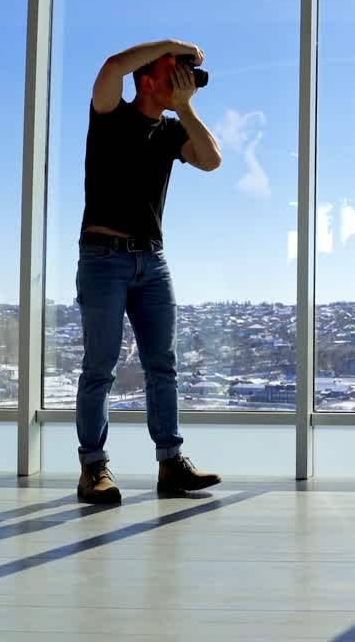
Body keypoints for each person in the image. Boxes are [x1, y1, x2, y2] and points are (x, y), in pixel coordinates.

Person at [74, 39, 224, 504]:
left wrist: (186, 109)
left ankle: (170, 464)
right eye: (170, 73)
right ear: (145, 79)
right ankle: (93, 469)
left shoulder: (173, 133)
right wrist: (174, 45)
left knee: (163, 365)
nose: (180, 80)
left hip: (152, 260)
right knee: (100, 369)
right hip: (102, 256)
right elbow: (111, 65)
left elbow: (212, 159)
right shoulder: (110, 114)